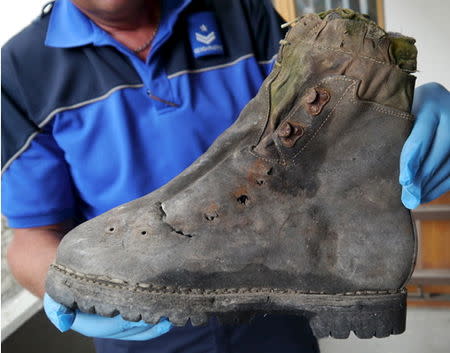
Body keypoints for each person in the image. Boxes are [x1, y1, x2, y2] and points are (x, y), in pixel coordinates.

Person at [1, 0, 449, 352]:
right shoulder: (20, 69)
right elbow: (30, 233)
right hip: (137, 316)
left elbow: (322, 122)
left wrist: (390, 112)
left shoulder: (238, 11)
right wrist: (62, 283)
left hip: (274, 297)